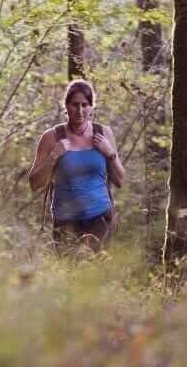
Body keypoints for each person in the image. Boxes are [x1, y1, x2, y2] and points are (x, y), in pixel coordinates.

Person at [28, 79, 125, 252]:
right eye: (74, 104)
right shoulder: (52, 137)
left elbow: (120, 181)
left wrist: (110, 153)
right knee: (71, 276)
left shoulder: (103, 133)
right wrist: (54, 156)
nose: (80, 111)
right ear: (66, 105)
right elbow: (35, 184)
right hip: (66, 224)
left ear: (91, 107)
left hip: (100, 220)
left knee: (99, 276)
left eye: (85, 105)